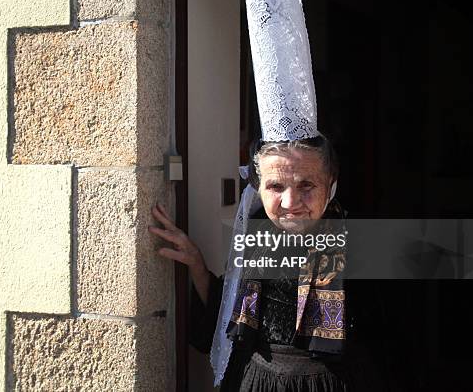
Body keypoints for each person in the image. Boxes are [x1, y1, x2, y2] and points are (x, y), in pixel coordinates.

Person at [150, 135, 389, 391]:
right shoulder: (256, 240)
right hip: (259, 382)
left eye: (306, 185)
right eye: (276, 187)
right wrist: (197, 263)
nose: (290, 204)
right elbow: (225, 314)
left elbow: (390, 340)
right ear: (258, 188)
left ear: (330, 184)